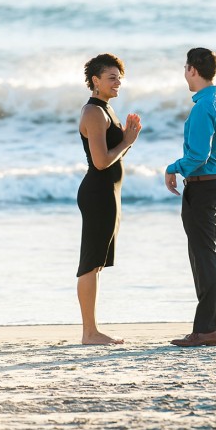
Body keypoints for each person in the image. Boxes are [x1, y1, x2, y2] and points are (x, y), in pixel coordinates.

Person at [165, 48, 216, 347]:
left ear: (193, 69)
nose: (184, 73)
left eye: (185, 67)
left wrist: (172, 167)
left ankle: (205, 330)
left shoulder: (202, 107)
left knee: (203, 257)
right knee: (207, 255)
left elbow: (198, 155)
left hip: (204, 186)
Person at [77, 53, 142, 345]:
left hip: (108, 193)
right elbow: (101, 162)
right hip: (97, 192)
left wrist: (127, 139)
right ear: (95, 81)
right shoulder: (93, 112)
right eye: (111, 78)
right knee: (90, 263)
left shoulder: (107, 110)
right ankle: (89, 332)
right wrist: (127, 141)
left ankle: (92, 330)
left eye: (120, 77)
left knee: (97, 263)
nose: (118, 83)